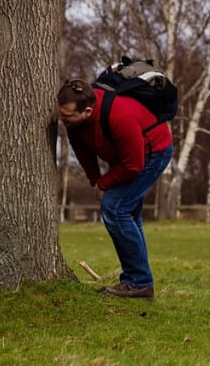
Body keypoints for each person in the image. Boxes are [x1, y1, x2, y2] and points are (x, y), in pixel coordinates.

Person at [57, 78, 174, 299]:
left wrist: (104, 183)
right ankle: (139, 281)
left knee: (115, 208)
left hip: (152, 153)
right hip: (125, 158)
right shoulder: (75, 121)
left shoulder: (120, 116)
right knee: (127, 213)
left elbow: (134, 165)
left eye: (67, 115)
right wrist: (94, 178)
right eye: (60, 113)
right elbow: (82, 148)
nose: (61, 118)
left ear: (88, 110)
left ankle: (139, 281)